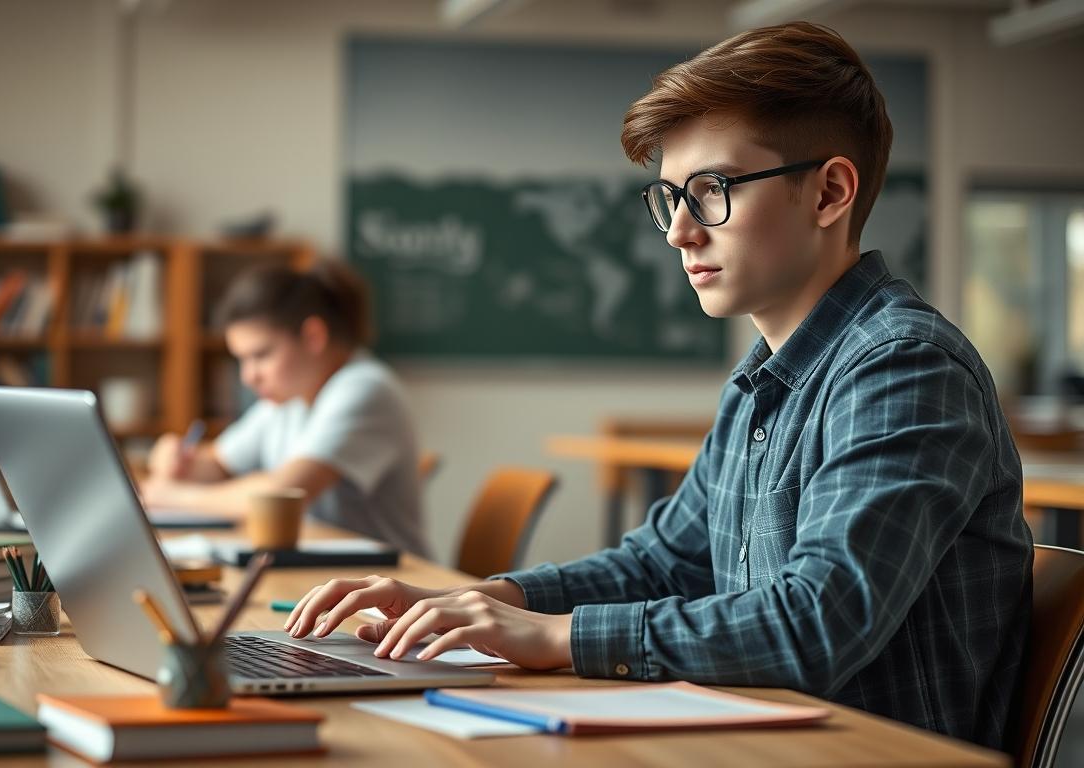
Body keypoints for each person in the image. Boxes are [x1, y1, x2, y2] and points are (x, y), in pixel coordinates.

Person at [283, 21, 1032, 750]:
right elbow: (665, 560)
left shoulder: (905, 365)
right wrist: (483, 602)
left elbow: (818, 623)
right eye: (670, 197)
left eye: (711, 190)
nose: (679, 231)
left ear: (830, 192)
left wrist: (553, 637)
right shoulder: (762, 379)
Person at [141, 259, 431, 558]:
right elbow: (217, 463)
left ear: (313, 337)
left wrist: (173, 495)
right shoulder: (286, 400)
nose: (248, 376)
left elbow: (278, 497)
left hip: (395, 592)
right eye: (241, 359)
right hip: (331, 579)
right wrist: (178, 458)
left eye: (261, 355)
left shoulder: (364, 388)